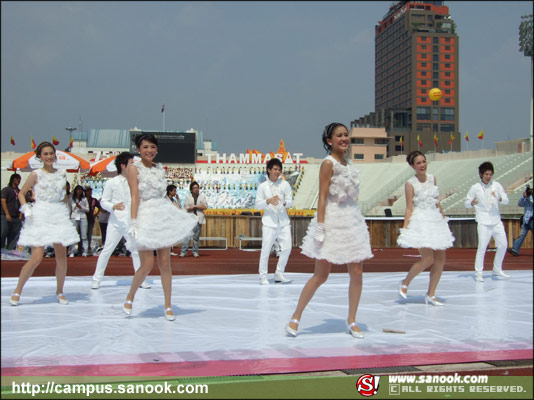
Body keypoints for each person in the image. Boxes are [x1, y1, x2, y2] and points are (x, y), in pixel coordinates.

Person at [286, 123, 373, 338]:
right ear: (329, 141)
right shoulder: (328, 163)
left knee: (357, 272)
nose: (344, 138)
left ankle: (352, 320)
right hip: (333, 218)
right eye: (339, 136)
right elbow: (323, 196)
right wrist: (321, 226)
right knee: (321, 274)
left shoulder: (349, 164)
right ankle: (296, 316)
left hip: (351, 218)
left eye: (346, 135)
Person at [122, 134, 197, 321]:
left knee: (165, 263)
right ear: (139, 149)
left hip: (162, 214)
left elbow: (163, 196)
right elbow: (134, 196)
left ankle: (168, 304)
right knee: (146, 264)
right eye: (145, 147)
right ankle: (130, 296)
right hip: (145, 216)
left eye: (152, 147)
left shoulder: (159, 168)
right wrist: (133, 221)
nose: (149, 151)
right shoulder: (134, 168)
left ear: (157, 149)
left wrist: (175, 212)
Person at [9, 141, 79, 306]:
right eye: (45, 154)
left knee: (61, 257)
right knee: (36, 257)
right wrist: (26, 209)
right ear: (39, 156)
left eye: (51, 153)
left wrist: (65, 213)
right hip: (40, 214)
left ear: (55, 155)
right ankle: (18, 290)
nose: (48, 156)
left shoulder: (62, 174)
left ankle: (60, 291)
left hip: (58, 215)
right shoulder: (36, 174)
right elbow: (21, 193)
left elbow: (62, 196)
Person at [397, 151, 455, 306]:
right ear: (412, 166)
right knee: (428, 258)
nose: (422, 165)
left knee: (440, 259)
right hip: (421, 220)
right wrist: (406, 229)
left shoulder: (432, 178)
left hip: (435, 219)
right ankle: (405, 281)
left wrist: (443, 219)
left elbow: (436, 201)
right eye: (418, 163)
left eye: (424, 161)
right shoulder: (410, 184)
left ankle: (431, 293)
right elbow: (409, 207)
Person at [91, 152, 149, 290]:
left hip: (131, 222)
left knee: (136, 251)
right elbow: (104, 201)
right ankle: (96, 279)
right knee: (107, 250)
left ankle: (141, 280)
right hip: (116, 223)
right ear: (123, 165)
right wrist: (113, 206)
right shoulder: (112, 182)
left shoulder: (136, 182)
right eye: (131, 163)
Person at [465, 161, 510, 281]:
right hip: (483, 221)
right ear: (481, 174)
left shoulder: (497, 185)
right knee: (482, 247)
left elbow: (506, 200)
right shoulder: (475, 187)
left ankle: (497, 269)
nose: (488, 176)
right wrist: (472, 203)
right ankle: (478, 273)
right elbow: (466, 203)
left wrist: (499, 198)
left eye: (490, 174)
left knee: (503, 245)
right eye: (486, 174)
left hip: (496, 220)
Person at [255, 158, 293, 285]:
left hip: (283, 221)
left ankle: (279, 273)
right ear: (269, 170)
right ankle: (263, 276)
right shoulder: (262, 187)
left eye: (279, 169)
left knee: (287, 248)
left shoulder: (285, 185)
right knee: (266, 249)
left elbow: (290, 201)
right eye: (275, 169)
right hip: (269, 222)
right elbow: (257, 205)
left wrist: (283, 202)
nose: (277, 172)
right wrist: (268, 201)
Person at [180, 181, 207, 258]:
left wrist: (195, 206)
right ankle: (183, 252)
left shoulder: (202, 197)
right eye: (194, 188)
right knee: (187, 236)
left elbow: (205, 207)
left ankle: (195, 251)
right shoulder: (188, 197)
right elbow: (186, 208)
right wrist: (193, 207)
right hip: (190, 219)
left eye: (197, 187)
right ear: (191, 190)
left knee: (196, 237)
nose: (196, 189)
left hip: (199, 219)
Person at [508, 185, 533, 256]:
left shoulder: (531, 199)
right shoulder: (527, 198)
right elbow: (520, 204)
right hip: (526, 220)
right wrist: (524, 197)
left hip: (532, 220)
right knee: (521, 235)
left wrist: (530, 197)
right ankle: (515, 249)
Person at [1, 173, 22, 250]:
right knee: (3, 232)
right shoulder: (6, 190)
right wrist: (7, 214)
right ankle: (2, 249)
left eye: (20, 179)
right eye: (17, 179)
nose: (19, 181)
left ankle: (11, 250)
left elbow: (23, 202)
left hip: (16, 216)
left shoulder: (19, 191)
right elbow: (3, 201)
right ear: (13, 179)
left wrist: (20, 215)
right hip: (5, 215)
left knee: (14, 235)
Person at [68, 185, 89, 257]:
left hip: (82, 216)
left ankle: (85, 251)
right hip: (74, 216)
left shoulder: (84, 199)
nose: (79, 191)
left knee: (84, 235)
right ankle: (72, 251)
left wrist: (81, 207)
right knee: (73, 234)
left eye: (80, 190)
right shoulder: (72, 199)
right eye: (78, 189)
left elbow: (87, 209)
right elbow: (70, 208)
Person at [84, 186, 101, 255]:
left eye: (90, 191)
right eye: (88, 191)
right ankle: (82, 247)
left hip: (90, 218)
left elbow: (99, 207)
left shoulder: (94, 200)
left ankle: (88, 247)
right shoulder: (83, 199)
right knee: (83, 234)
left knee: (89, 233)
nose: (89, 192)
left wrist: (96, 214)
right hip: (83, 217)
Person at [166, 184, 182, 256]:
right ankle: (166, 251)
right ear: (170, 191)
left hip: (172, 220)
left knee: (171, 236)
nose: (175, 192)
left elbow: (178, 208)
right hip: (165, 220)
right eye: (174, 191)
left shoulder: (174, 200)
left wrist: (178, 199)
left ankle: (170, 250)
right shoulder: (165, 199)